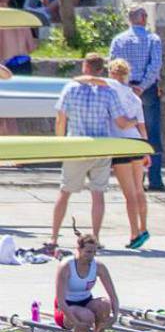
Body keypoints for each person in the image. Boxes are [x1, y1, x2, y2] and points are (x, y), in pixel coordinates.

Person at [48, 53, 135, 252]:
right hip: (100, 146)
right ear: (101, 70)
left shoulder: (70, 88)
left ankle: (53, 237)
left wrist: (60, 143)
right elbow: (120, 122)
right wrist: (134, 121)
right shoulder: (108, 92)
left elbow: (60, 119)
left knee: (65, 192)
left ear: (84, 67)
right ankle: (95, 237)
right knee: (98, 194)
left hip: (76, 146)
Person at [74, 59, 150, 249]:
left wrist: (75, 79)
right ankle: (143, 227)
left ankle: (134, 234)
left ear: (113, 73)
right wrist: (147, 150)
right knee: (139, 190)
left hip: (121, 145)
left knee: (129, 194)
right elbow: (142, 126)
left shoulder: (113, 86)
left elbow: (92, 79)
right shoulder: (135, 97)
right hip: (137, 144)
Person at [109, 5, 164, 191]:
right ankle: (155, 179)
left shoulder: (119, 40)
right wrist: (141, 86)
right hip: (145, 89)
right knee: (151, 132)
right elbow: (155, 65)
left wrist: (125, 86)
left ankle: (133, 178)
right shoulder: (153, 39)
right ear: (143, 18)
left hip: (123, 87)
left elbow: (113, 65)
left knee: (127, 132)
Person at [53, 228, 120, 332]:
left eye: (94, 252)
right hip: (64, 308)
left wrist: (115, 316)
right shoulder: (66, 266)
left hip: (85, 302)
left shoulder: (99, 266)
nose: (91, 256)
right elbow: (60, 301)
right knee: (87, 316)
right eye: (88, 252)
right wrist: (76, 323)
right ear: (78, 249)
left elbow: (113, 295)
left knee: (105, 305)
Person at [0, 0, 36, 136]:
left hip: (5, 66)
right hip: (23, 64)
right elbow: (31, 46)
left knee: (4, 114)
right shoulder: (19, 16)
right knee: (12, 113)